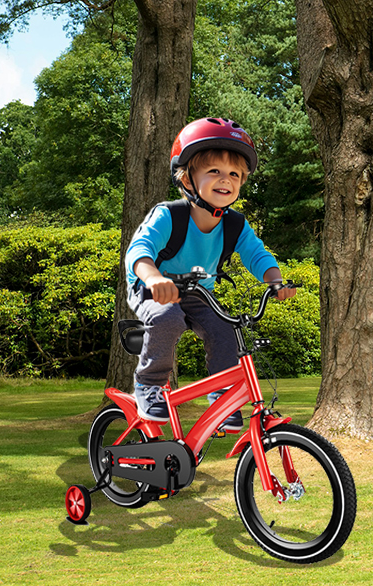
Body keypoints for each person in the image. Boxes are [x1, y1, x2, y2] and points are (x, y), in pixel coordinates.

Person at [124, 117, 299, 428]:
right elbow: (140, 251)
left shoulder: (235, 225)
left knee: (225, 329)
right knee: (167, 318)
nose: (226, 179)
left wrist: (275, 281)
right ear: (188, 179)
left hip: (198, 294)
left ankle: (221, 396)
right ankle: (148, 385)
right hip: (153, 289)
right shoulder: (169, 215)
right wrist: (154, 278)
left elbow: (257, 255)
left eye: (234, 173)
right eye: (214, 171)